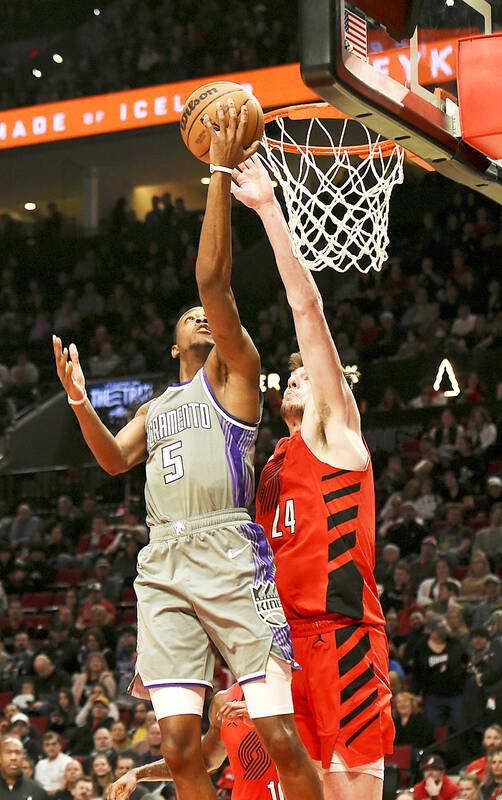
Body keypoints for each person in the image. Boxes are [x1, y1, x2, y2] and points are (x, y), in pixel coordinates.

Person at [53, 101, 322, 800]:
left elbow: (214, 282)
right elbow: (114, 460)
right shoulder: (154, 407)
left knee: (278, 737)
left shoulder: (232, 376)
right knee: (176, 748)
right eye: (189, 320)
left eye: (209, 316)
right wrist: (80, 401)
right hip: (164, 559)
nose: (203, 316)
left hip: (229, 552)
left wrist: (217, 172)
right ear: (175, 344)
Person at [231, 154, 394, 800]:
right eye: (292, 375)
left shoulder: (335, 433)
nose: (299, 376)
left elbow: (306, 308)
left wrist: (271, 210)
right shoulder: (269, 468)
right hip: (278, 652)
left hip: (343, 642)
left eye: (310, 374)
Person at [106, 684, 281, 800]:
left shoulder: (292, 686)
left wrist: (270, 719)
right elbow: (202, 762)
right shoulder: (224, 701)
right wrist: (137, 774)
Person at [0, 735, 49, 800]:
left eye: (17, 752)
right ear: (0, 758)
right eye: (8, 752)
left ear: (23, 758)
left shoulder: (37, 791)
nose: (13, 758)